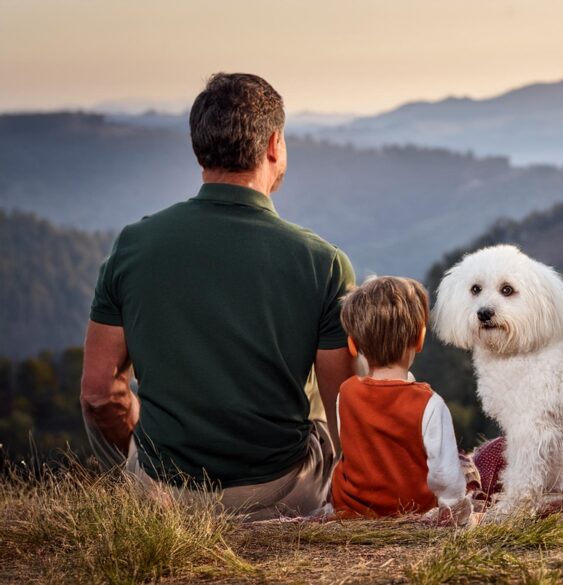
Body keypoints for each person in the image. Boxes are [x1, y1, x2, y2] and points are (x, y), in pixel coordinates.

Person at [80, 73, 356, 519]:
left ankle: (140, 488)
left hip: (162, 495)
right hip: (282, 493)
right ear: (273, 145)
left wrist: (145, 458)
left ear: (199, 149)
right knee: (323, 398)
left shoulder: (132, 246)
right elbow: (347, 410)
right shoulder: (323, 263)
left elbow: (97, 392)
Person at [330, 277, 472, 524]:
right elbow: (446, 478)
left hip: (352, 511)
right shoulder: (429, 403)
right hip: (411, 510)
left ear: (352, 345)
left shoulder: (346, 393)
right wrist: (453, 511)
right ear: (419, 338)